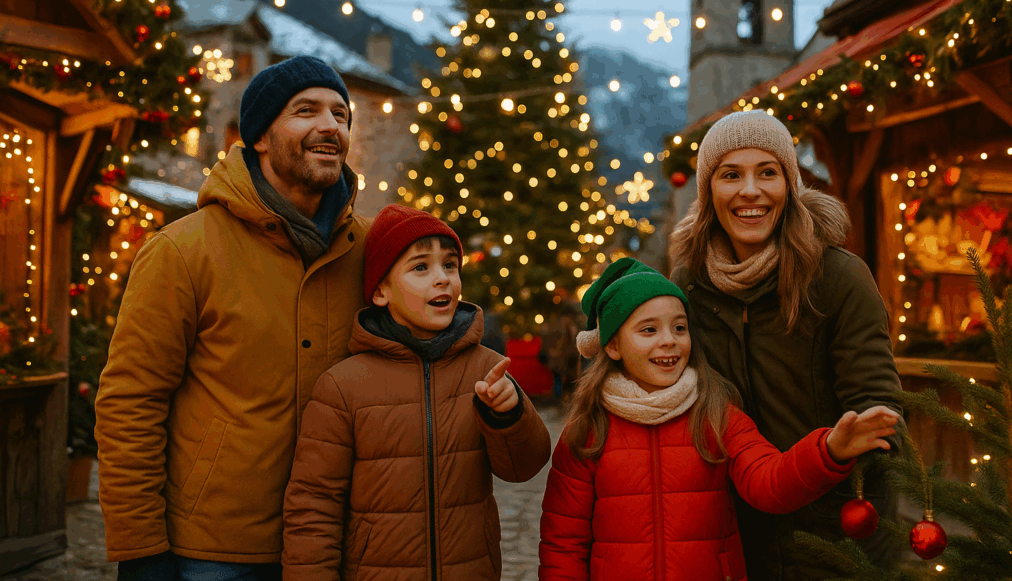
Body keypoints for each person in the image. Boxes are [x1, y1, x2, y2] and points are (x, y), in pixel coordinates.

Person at [95, 56, 370, 581]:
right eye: (305, 110)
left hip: (337, 542)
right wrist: (141, 548)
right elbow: (130, 403)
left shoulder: (370, 249)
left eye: (340, 114)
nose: (329, 126)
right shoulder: (182, 251)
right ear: (260, 137)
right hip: (215, 551)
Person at [538, 258, 899, 581]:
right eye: (649, 330)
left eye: (679, 328)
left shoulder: (715, 414)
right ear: (613, 346)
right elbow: (563, 543)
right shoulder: (588, 431)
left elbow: (768, 482)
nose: (669, 341)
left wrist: (829, 450)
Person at [667, 110, 905, 579]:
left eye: (768, 173)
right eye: (731, 175)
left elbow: (882, 407)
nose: (750, 191)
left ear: (790, 186)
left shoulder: (838, 277)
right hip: (737, 538)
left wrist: (848, 448)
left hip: (836, 540)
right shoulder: (689, 285)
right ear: (708, 192)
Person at [281, 204, 552, 581]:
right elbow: (313, 507)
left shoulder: (485, 368)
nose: (442, 278)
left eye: (450, 265)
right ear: (381, 291)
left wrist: (508, 415)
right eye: (420, 267)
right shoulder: (343, 386)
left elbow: (525, 467)